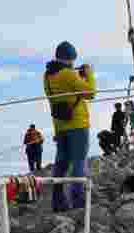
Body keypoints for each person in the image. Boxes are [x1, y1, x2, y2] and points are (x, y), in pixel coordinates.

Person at [43, 41, 95, 213]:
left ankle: (58, 202)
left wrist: (77, 76)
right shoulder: (68, 75)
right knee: (79, 161)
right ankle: (78, 201)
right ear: (70, 58)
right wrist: (88, 74)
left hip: (60, 125)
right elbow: (90, 92)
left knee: (61, 163)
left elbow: (56, 96)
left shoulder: (48, 76)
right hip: (78, 124)